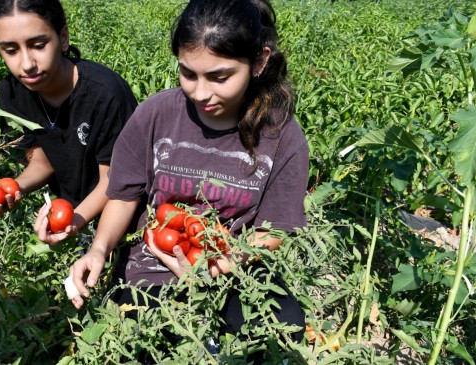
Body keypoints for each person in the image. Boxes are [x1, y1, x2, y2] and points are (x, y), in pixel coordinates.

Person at [68, 0, 309, 344]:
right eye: (188, 73)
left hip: (237, 267)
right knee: (144, 340)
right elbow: (123, 196)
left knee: (278, 329)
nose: (200, 92)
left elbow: (276, 230)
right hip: (152, 266)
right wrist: (98, 249)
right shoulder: (156, 114)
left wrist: (222, 260)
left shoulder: (281, 135)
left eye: (219, 77)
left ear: (259, 61)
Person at [0, 0, 138, 242]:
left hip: (123, 217)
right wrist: (7, 191)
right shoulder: (13, 92)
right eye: (10, 50)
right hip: (69, 214)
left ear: (63, 38)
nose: (27, 64)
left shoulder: (106, 94)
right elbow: (42, 162)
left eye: (38, 45)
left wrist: (74, 221)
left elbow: (114, 180)